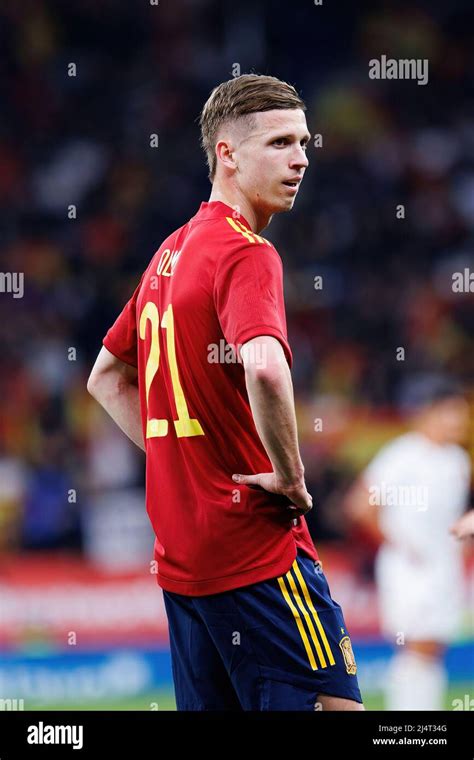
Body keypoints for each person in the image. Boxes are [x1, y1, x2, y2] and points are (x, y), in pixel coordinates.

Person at [88, 74, 363, 711]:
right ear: (227, 153)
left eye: (304, 143)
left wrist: (186, 467)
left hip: (183, 555)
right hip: (255, 550)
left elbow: (105, 375)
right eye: (280, 143)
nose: (300, 159)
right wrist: (291, 478)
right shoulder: (248, 252)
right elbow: (265, 367)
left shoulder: (170, 253)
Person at [345, 375, 471, 710]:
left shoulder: (457, 460)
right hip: (410, 568)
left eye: (460, 412)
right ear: (426, 413)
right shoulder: (403, 455)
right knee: (418, 646)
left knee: (435, 646)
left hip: (444, 567)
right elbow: (360, 505)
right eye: (449, 411)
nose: (458, 419)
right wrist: (402, 545)